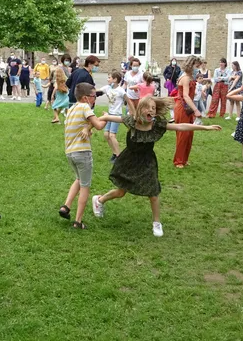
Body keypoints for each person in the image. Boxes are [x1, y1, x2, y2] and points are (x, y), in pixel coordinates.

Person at [92, 96, 221, 237]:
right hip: (129, 160)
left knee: (153, 193)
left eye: (153, 108)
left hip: (147, 162)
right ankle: (99, 200)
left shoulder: (156, 125)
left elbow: (180, 126)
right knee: (122, 191)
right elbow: (110, 118)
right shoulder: (131, 121)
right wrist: (95, 122)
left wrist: (205, 127)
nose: (151, 111)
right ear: (140, 109)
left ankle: (157, 223)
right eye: (148, 108)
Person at [57, 83, 107, 230]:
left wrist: (87, 127)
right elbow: (98, 125)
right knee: (85, 186)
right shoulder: (86, 107)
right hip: (83, 153)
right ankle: (78, 222)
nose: (95, 99)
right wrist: (107, 117)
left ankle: (66, 206)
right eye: (94, 96)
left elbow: (85, 125)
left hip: (70, 152)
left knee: (79, 179)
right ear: (86, 98)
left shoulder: (72, 109)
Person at [173, 56, 204, 168]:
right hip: (182, 108)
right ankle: (178, 161)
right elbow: (185, 96)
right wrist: (196, 110)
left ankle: (184, 159)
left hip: (188, 107)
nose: (198, 68)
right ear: (191, 65)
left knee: (189, 134)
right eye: (196, 66)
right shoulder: (185, 78)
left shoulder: (190, 77)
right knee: (183, 134)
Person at [103, 70, 126, 162]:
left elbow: (128, 100)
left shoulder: (120, 90)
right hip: (109, 114)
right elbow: (96, 92)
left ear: (115, 79)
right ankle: (114, 152)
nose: (107, 79)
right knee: (106, 135)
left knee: (112, 135)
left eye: (109, 77)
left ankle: (119, 156)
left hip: (117, 115)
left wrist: (133, 112)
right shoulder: (108, 88)